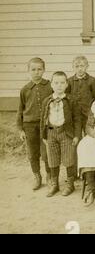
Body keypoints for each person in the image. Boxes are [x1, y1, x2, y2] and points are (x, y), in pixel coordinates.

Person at [40, 71, 82, 197]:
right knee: (52, 159)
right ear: (51, 85)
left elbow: (77, 119)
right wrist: (44, 135)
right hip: (51, 132)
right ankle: (54, 184)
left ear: (66, 84)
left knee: (69, 158)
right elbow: (43, 119)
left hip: (66, 132)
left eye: (62, 83)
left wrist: (76, 135)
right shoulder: (47, 101)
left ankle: (70, 184)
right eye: (56, 83)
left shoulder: (71, 100)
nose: (59, 85)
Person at [17, 57, 53, 190]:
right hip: (29, 125)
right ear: (28, 71)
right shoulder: (25, 89)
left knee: (46, 152)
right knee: (32, 153)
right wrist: (21, 129)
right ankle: (37, 177)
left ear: (44, 70)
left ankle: (50, 176)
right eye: (33, 69)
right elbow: (20, 110)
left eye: (39, 69)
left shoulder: (49, 86)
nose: (36, 72)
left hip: (45, 125)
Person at [66, 55, 95, 132]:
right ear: (73, 67)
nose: (79, 69)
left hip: (88, 113)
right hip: (74, 114)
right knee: (75, 134)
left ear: (87, 66)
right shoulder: (69, 81)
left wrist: (94, 111)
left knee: (88, 132)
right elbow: (66, 97)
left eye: (82, 66)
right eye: (77, 66)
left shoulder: (92, 80)